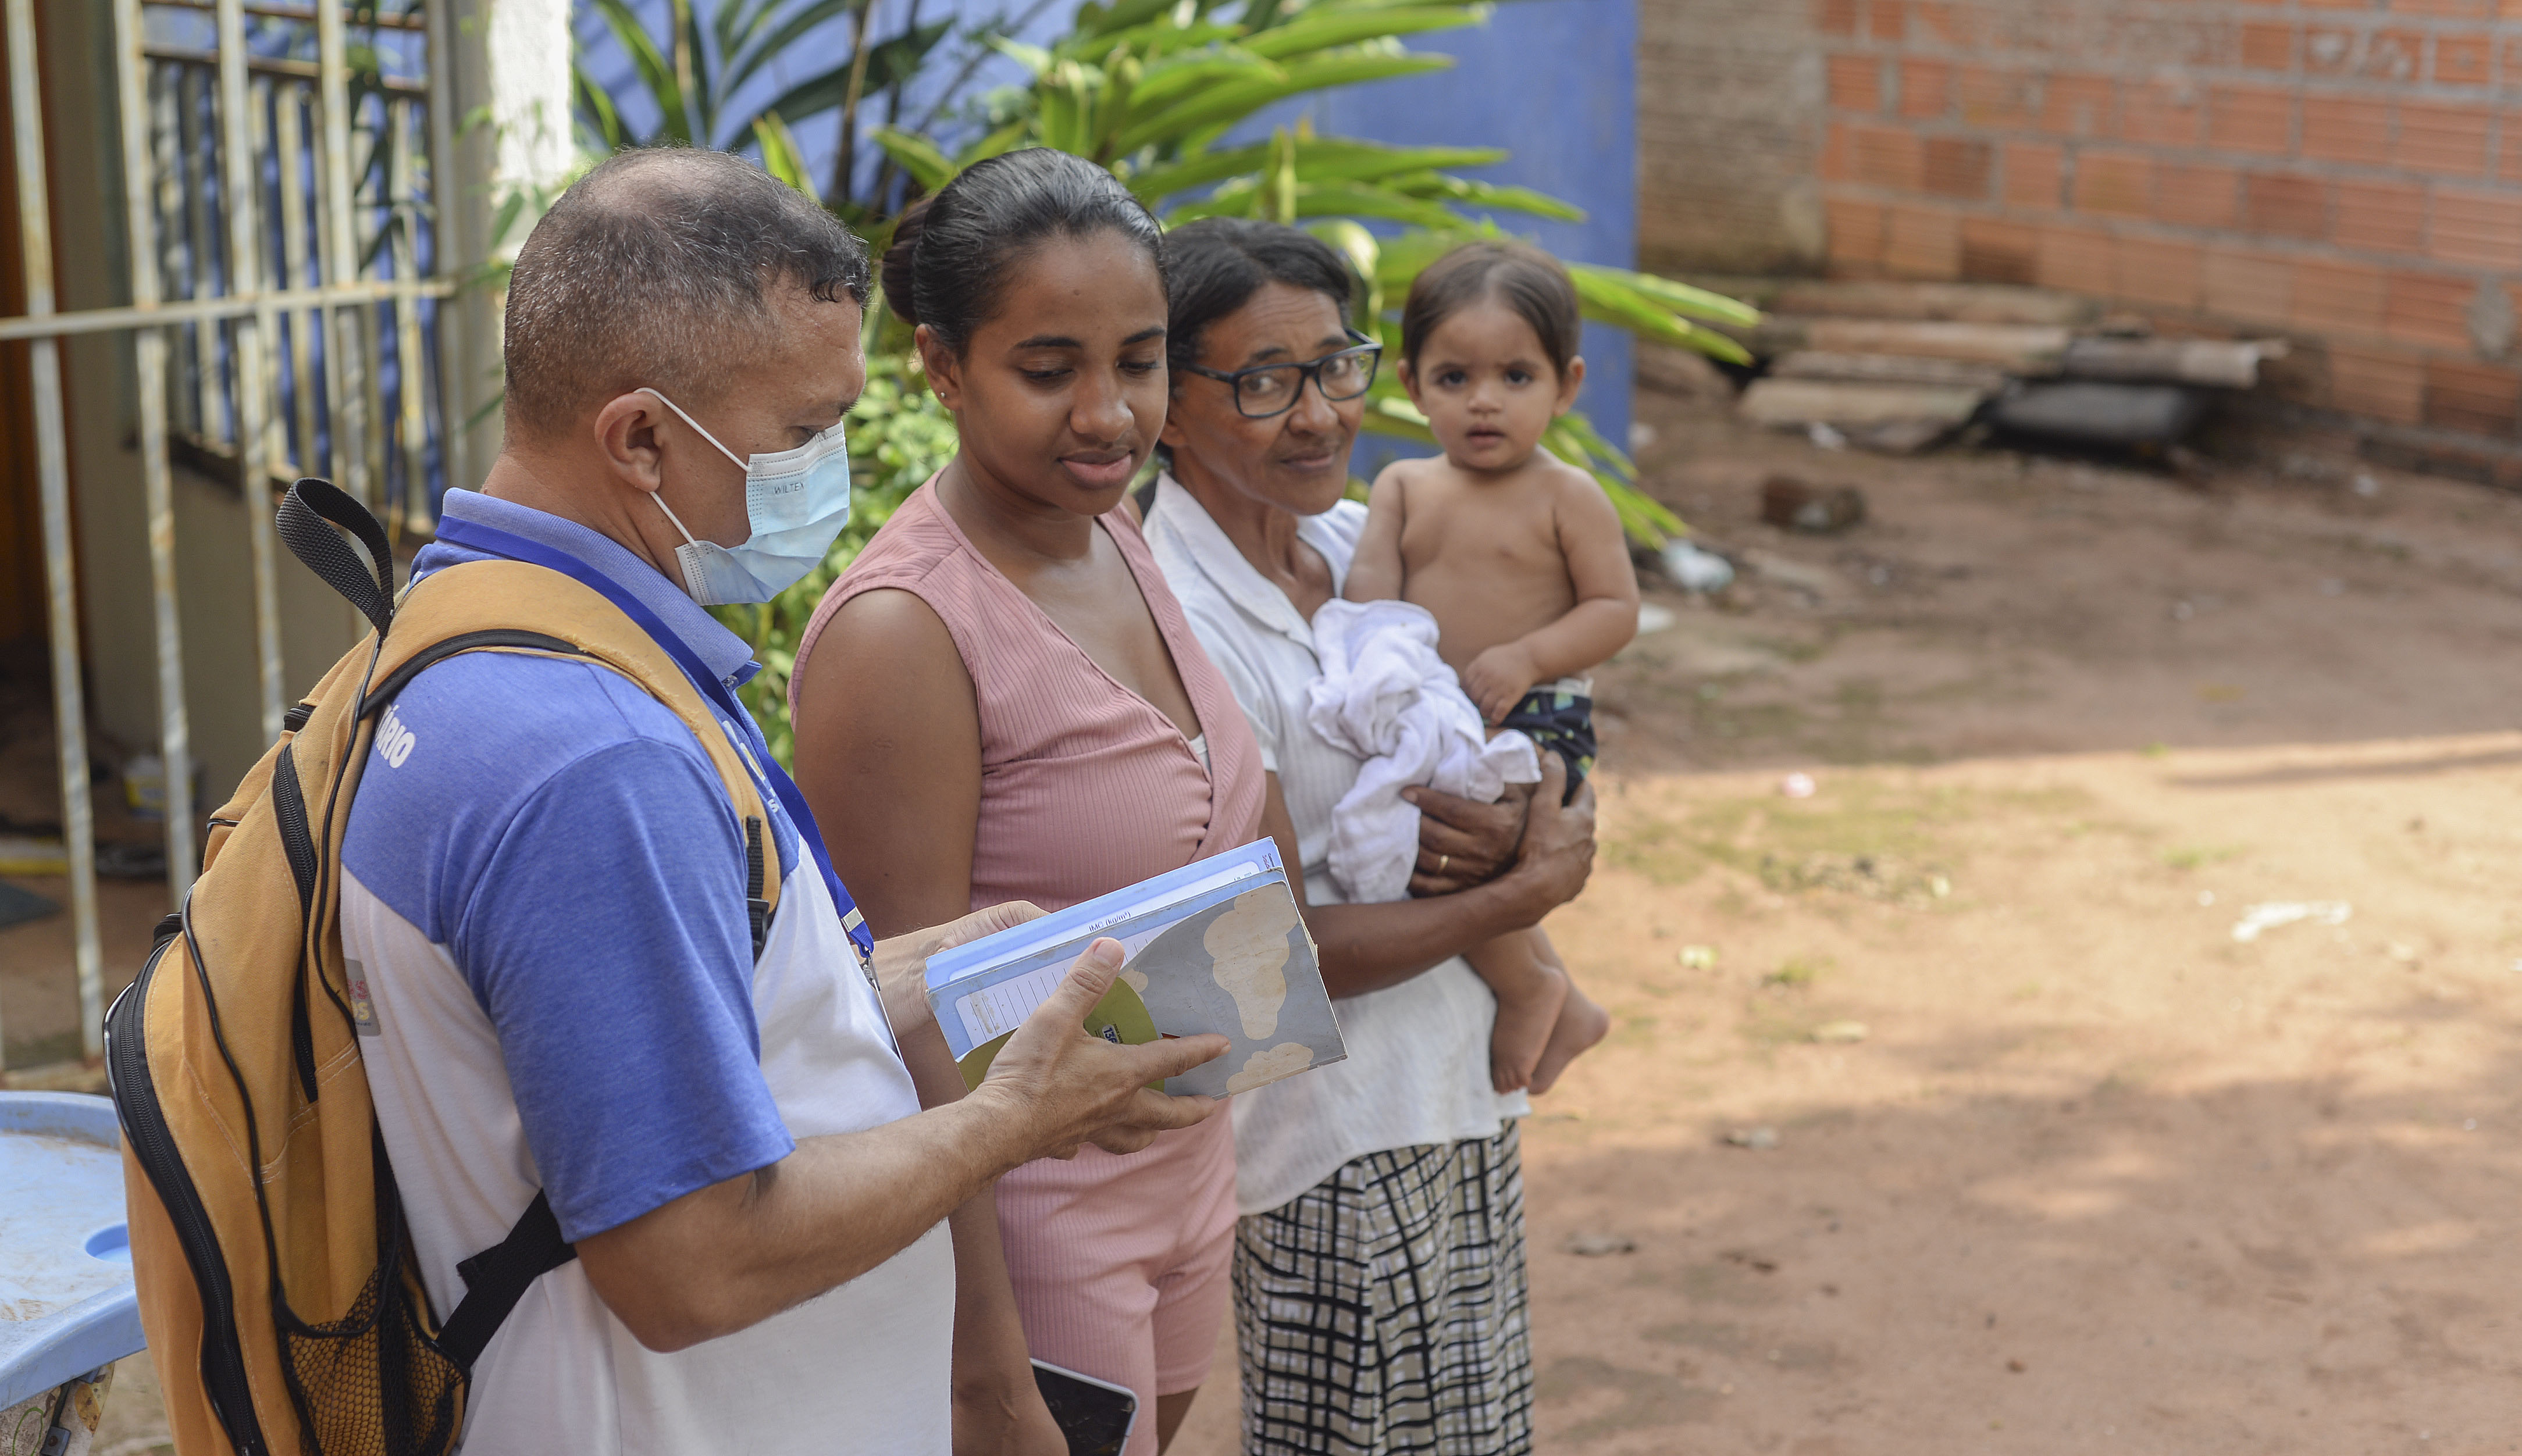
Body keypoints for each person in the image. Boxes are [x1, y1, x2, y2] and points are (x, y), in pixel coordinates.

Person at [336, 147, 1226, 1456]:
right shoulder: (597, 761)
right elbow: (689, 1258)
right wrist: (1003, 1123)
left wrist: (885, 981)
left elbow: (608, 1040)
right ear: (638, 437)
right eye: (803, 434)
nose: (833, 472)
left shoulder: (480, 631)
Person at [787, 149, 1260, 1455]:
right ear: (941, 369)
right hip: (1025, 1230)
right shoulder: (904, 633)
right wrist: (984, 1372)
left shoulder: (1113, 531)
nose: (1108, 414)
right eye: (1048, 371)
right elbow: (895, 1035)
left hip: (1185, 1177)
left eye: (1141, 360)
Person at [1141, 216, 1599, 1455]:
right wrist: (1516, 894)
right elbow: (1259, 953)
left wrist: (1522, 814)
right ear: (1166, 406)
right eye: (1261, 382)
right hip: (1329, 1145)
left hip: (1454, 1089)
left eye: (1334, 366)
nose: (1316, 414)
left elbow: (1512, 709)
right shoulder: (1172, 625)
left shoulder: (1359, 546)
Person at [1343, 239, 1633, 1094]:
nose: (1484, 403)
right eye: (1454, 378)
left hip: (1538, 711)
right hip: (1437, 712)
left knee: (1479, 840)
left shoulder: (1567, 496)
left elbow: (1616, 610)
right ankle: (1557, 993)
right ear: (1410, 382)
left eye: (1516, 378)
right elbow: (1368, 605)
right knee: (1415, 842)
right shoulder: (1402, 487)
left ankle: (1532, 984)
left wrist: (1527, 655)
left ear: (1567, 385)